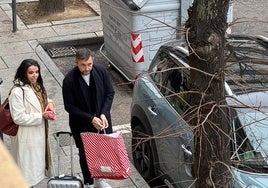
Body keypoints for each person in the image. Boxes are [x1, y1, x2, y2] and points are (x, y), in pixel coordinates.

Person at [62, 48, 115, 188]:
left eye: (89, 64)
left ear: (93, 61)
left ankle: (100, 179)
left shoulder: (101, 71)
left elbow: (109, 93)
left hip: (102, 120)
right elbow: (70, 107)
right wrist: (91, 119)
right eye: (83, 65)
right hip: (82, 124)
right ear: (76, 63)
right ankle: (88, 182)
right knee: (85, 154)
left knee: (102, 151)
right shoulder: (69, 80)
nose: (87, 68)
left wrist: (103, 113)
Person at [8, 59, 56, 187]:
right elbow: (18, 117)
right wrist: (41, 116)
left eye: (37, 72)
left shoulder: (36, 86)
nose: (35, 75)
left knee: (34, 168)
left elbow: (41, 99)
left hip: (38, 135)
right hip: (27, 136)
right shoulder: (17, 92)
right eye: (31, 72)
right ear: (23, 73)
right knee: (26, 171)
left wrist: (49, 103)